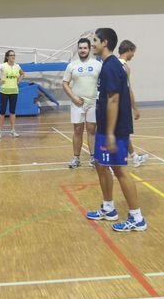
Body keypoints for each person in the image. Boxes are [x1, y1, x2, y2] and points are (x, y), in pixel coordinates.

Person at [86, 28, 147, 232]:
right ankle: (109, 208)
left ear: (104, 42)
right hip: (105, 126)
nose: (92, 43)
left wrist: (110, 132)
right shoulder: (107, 65)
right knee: (100, 164)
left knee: (120, 170)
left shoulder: (112, 67)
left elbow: (113, 100)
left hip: (115, 129)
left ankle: (137, 218)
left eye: (94, 40)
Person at [62, 38, 101, 168]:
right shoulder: (72, 65)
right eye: (80, 48)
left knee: (91, 130)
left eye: (85, 48)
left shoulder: (97, 64)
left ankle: (93, 158)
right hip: (77, 103)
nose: (82, 50)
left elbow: (104, 82)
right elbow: (65, 83)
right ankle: (76, 158)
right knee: (77, 130)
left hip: (93, 103)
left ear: (89, 49)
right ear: (77, 49)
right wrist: (73, 97)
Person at [118, 40, 149, 168]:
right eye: (133, 52)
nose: (134, 55)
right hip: (120, 106)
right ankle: (117, 163)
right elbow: (128, 90)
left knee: (122, 133)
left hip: (116, 106)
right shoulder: (123, 67)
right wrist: (135, 108)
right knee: (121, 134)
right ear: (129, 50)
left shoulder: (112, 64)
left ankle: (134, 156)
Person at [0, 50, 24, 139]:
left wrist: (19, 80)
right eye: (11, 55)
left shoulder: (17, 66)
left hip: (14, 91)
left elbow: (22, 74)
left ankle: (13, 130)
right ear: (7, 57)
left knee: (12, 112)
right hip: (4, 91)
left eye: (14, 55)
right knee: (2, 112)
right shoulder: (3, 66)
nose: (13, 57)